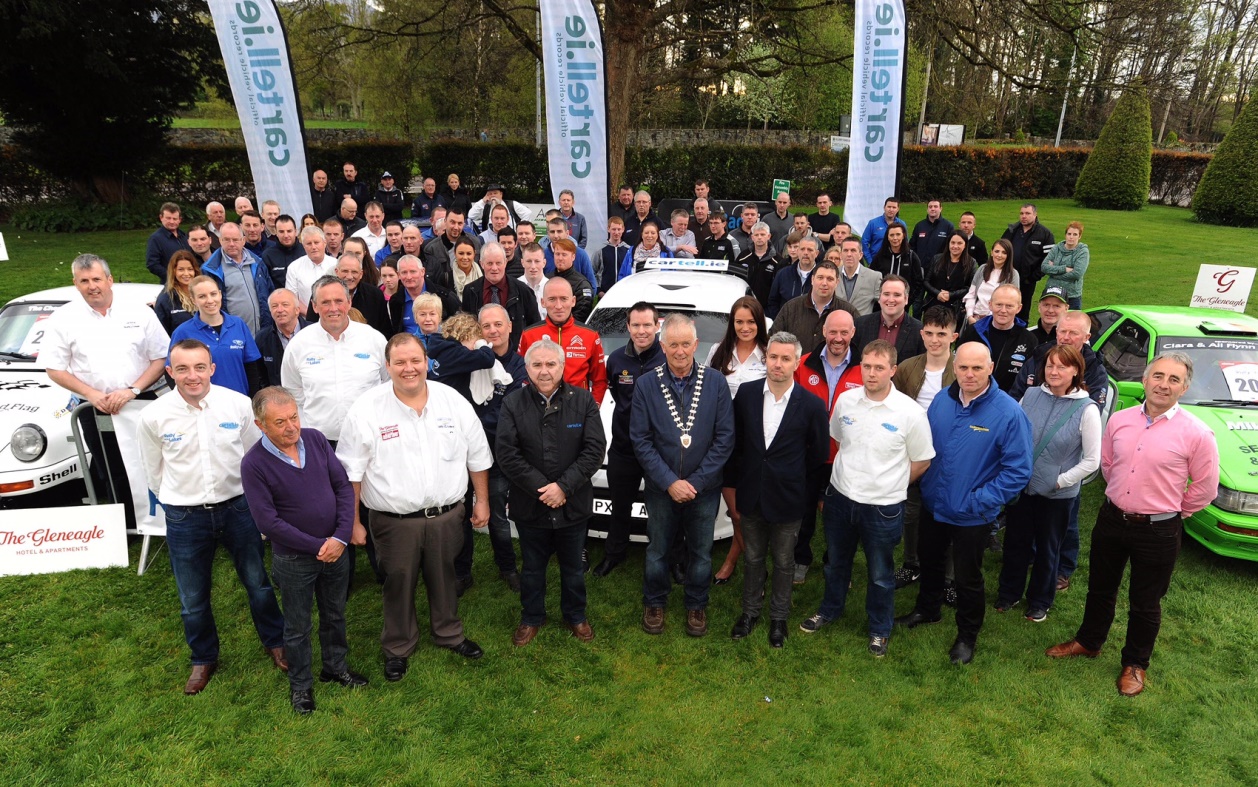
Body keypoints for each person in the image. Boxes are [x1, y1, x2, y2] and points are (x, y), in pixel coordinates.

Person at [1046, 353, 1219, 696]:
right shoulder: (1120, 421)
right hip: (1112, 519)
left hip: (1158, 530)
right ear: (1144, 379)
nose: (1163, 385)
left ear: (1184, 387)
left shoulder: (1197, 433)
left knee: (1145, 602)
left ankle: (1135, 664)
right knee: (1099, 588)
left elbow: (1205, 487)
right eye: (1158, 376)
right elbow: (1108, 464)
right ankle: (1089, 641)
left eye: (1173, 379)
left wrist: (1173, 511)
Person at [137, 339, 287, 695]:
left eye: (199, 367)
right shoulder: (153, 415)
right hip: (184, 517)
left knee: (258, 583)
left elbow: (255, 457)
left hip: (238, 509)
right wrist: (179, 499)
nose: (193, 376)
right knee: (192, 596)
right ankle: (203, 657)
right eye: (183, 369)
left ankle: (277, 642)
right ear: (170, 372)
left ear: (212, 369)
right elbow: (152, 470)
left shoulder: (236, 405)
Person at [337, 333, 490, 679]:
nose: (409, 369)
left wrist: (482, 500)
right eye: (400, 362)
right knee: (398, 581)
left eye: (415, 361)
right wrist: (353, 521)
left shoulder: (452, 401)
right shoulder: (367, 409)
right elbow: (351, 472)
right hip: (394, 522)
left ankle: (449, 633)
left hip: (447, 517)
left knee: (445, 577)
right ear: (387, 366)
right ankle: (398, 646)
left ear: (427, 362)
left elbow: (478, 456)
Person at [894, 342, 1032, 665]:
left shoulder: (1009, 413)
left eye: (977, 368)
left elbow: (1019, 471)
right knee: (930, 561)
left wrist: (980, 500)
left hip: (972, 514)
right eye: (964, 368)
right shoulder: (941, 401)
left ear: (990, 369)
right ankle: (927, 610)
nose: (969, 375)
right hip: (934, 504)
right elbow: (924, 446)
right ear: (954, 368)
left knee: (968, 578)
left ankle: (967, 635)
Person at [800, 340, 935, 657]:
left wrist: (894, 484)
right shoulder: (846, 402)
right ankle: (830, 610)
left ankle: (879, 629)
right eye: (866, 366)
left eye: (879, 367)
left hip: (883, 508)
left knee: (880, 574)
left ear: (893, 370)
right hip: (840, 499)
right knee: (835, 564)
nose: (871, 373)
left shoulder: (910, 413)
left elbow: (922, 460)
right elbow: (838, 438)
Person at [241, 386, 366, 714]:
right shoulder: (253, 464)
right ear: (260, 425)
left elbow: (341, 485)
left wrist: (339, 537)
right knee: (297, 626)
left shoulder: (315, 439)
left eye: (294, 417)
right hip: (295, 558)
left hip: (335, 551)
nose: (291, 427)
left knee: (335, 614)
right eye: (279, 422)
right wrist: (318, 546)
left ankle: (335, 668)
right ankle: (301, 686)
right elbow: (268, 522)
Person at [44, 254, 170, 532]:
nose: (92, 286)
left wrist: (133, 389)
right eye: (84, 281)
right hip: (96, 407)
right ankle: (124, 530)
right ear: (75, 284)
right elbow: (54, 368)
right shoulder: (63, 319)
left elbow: (161, 358)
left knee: (152, 461)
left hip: (141, 403)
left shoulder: (139, 312)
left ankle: (163, 521)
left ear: (110, 280)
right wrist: (91, 394)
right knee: (111, 469)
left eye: (97, 279)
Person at [497, 338, 606, 646]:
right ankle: (532, 617)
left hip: (573, 504)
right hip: (530, 504)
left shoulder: (583, 401)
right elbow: (507, 454)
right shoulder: (513, 403)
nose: (544, 371)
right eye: (537, 365)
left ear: (562, 366)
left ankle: (576, 616)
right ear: (527, 367)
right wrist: (543, 489)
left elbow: (595, 449)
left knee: (573, 568)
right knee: (532, 568)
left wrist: (564, 487)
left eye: (550, 364)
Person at [632, 314, 735, 638]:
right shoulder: (647, 383)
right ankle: (655, 601)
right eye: (673, 344)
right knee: (658, 549)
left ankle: (696, 604)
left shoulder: (716, 382)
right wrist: (669, 482)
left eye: (685, 344)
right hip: (663, 488)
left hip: (703, 489)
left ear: (696, 345)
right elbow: (641, 439)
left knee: (701, 552)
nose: (680, 351)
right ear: (662, 346)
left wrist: (697, 482)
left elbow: (724, 438)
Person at [729, 331, 829, 647]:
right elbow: (738, 444)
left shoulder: (811, 405)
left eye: (786, 359)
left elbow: (817, 454)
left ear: (795, 362)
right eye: (773, 357)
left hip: (789, 498)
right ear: (766, 358)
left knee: (785, 562)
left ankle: (779, 618)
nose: (778, 364)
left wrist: (803, 490)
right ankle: (749, 612)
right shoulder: (745, 395)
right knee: (754, 557)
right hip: (752, 494)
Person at [995, 344, 1101, 622]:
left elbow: (1092, 461)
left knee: (1048, 549)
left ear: (1075, 370)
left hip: (1057, 496)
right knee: (1016, 543)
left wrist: (1059, 482)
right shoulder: (1029, 396)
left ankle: (1040, 601)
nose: (1054, 371)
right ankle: (1009, 593)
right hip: (1024, 488)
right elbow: (1011, 433)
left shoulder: (1086, 409)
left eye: (1062, 366)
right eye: (1050, 365)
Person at [889, 306, 959, 589]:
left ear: (953, 335)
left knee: (949, 513)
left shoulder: (961, 369)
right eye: (929, 333)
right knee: (912, 511)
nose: (935, 340)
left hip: (950, 453)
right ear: (922, 333)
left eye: (941, 334)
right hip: (914, 451)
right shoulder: (907, 368)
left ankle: (949, 577)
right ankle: (911, 563)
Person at [596, 302, 667, 577]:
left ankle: (672, 557)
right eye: (635, 325)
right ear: (627, 327)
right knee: (620, 505)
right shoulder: (615, 360)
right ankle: (615, 553)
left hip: (659, 450)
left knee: (663, 509)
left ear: (657, 325)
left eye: (647, 325)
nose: (641, 331)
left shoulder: (667, 356)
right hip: (624, 448)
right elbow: (613, 392)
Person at [793, 309, 863, 582]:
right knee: (805, 510)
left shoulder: (863, 367)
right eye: (833, 331)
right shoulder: (803, 364)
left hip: (845, 457)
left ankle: (834, 559)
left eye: (844, 332)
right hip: (809, 455)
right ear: (823, 331)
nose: (838, 338)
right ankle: (801, 557)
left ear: (852, 333)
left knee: (839, 514)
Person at [705, 296, 769, 586]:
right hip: (722, 440)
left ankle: (738, 560)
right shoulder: (718, 352)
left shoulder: (769, 356)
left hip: (755, 443)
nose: (745, 327)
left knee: (747, 511)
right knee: (735, 512)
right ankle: (749, 561)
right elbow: (705, 391)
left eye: (751, 321)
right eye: (739, 321)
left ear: (760, 323)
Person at [282, 276, 388, 445]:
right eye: (325, 302)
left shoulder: (374, 339)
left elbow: (388, 384)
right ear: (314, 306)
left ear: (349, 302)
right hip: (319, 442)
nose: (333, 308)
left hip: (369, 438)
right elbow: (293, 393)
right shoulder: (298, 345)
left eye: (339, 301)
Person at [473, 304, 529, 590]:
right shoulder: (470, 360)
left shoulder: (520, 364)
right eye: (486, 326)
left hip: (498, 453)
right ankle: (460, 572)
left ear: (509, 326)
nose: (493, 330)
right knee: (459, 515)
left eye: (498, 324)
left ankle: (507, 567)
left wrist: (481, 415)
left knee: (497, 514)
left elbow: (511, 409)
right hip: (466, 451)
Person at [169, 276, 264, 397]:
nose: (210, 300)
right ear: (193, 300)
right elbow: (173, 373)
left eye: (213, 294)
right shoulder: (183, 332)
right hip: (202, 405)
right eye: (202, 296)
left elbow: (252, 368)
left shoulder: (238, 324)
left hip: (239, 402)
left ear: (220, 294)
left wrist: (251, 400)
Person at [518, 276, 607, 403]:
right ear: (543, 302)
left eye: (564, 299)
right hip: (539, 411)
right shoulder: (529, 334)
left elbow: (600, 381)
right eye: (552, 299)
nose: (558, 306)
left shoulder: (590, 335)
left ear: (573, 301)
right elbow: (521, 377)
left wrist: (592, 409)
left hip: (577, 411)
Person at [957, 284, 1038, 393]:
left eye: (1009, 306)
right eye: (999, 304)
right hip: (972, 397)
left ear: (1019, 308)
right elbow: (958, 364)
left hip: (1008, 401)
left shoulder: (1028, 340)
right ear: (990, 305)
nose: (1003, 310)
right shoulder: (973, 332)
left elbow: (1029, 378)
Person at [461, 242, 539, 353]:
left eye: (498, 263)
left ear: (505, 263)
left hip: (515, 355)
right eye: (489, 263)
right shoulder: (470, 291)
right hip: (480, 356)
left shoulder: (523, 291)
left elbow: (534, 327)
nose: (494, 268)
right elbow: (466, 328)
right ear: (481, 264)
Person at [772, 260, 859, 351]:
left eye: (830, 279)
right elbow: (774, 338)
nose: (824, 283)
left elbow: (858, 344)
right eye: (820, 277)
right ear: (812, 279)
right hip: (797, 364)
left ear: (837, 282)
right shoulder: (790, 308)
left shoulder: (848, 311)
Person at [851, 274, 925, 362]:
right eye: (886, 294)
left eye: (897, 295)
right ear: (879, 298)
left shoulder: (919, 330)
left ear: (906, 299)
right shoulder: (860, 325)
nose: (891, 299)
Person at [1001, 203, 1055, 322]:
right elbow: (1001, 249)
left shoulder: (1045, 234)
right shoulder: (1012, 230)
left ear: (1035, 215)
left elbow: (1050, 259)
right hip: (1007, 277)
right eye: (1021, 213)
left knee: (1022, 310)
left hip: (1027, 281)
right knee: (1004, 306)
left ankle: (1020, 335)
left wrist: (1032, 277)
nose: (1024, 216)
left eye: (1027, 213)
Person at [388, 255, 461, 335]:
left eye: (413, 271)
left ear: (422, 271)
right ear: (398, 275)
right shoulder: (395, 301)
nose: (409, 277)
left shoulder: (445, 297)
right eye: (404, 272)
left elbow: (459, 328)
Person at [921, 231, 975, 327]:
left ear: (965, 245)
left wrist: (951, 295)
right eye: (953, 242)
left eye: (959, 243)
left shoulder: (971, 263)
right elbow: (926, 282)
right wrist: (937, 293)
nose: (955, 246)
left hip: (955, 306)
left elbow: (970, 288)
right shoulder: (937, 259)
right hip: (934, 302)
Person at [421, 207, 482, 293]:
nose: (456, 227)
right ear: (445, 222)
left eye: (460, 223)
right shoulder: (431, 248)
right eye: (452, 222)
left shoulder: (475, 242)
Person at [333, 251, 392, 338]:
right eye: (345, 271)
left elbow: (385, 332)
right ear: (336, 272)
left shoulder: (375, 295)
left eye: (354, 272)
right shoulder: (324, 294)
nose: (349, 276)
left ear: (361, 274)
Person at [256, 289, 308, 386]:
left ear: (297, 310)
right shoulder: (262, 339)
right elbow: (260, 377)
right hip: (280, 398)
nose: (280, 310)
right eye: (274, 306)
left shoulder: (313, 332)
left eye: (285, 305)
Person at [868, 224, 923, 313]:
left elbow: (918, 281)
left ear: (903, 235)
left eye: (898, 234)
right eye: (892, 235)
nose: (895, 238)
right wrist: (879, 298)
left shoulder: (911, 256)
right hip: (882, 304)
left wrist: (908, 300)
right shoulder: (880, 256)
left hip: (903, 304)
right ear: (888, 237)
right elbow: (871, 278)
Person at [963, 238, 1020, 324]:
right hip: (974, 318)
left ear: (1009, 255)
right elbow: (971, 294)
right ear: (991, 252)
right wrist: (970, 316)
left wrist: (988, 319)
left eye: (1004, 252)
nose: (999, 255)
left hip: (995, 321)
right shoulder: (982, 269)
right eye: (997, 251)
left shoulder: (1013, 274)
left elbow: (1012, 301)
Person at [766, 235, 820, 318]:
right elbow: (773, 302)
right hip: (785, 326)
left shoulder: (822, 277)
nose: (805, 253)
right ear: (798, 252)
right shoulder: (782, 274)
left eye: (810, 250)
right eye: (802, 249)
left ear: (816, 253)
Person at [285, 226, 338, 308]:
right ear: (303, 246)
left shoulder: (336, 264)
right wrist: (310, 315)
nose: (313, 247)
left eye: (316, 242)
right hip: (306, 318)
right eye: (309, 243)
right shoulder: (294, 267)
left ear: (324, 243)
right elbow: (292, 297)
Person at [1041, 221, 1089, 309]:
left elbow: (1077, 274)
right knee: (1051, 321)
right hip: (1052, 292)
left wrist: (1053, 273)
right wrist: (1064, 269)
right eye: (1069, 234)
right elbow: (1044, 267)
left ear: (1080, 236)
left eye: (1075, 234)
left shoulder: (1082, 252)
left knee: (1071, 322)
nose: (1071, 237)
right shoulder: (1056, 248)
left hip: (1071, 296)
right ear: (1065, 235)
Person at [542, 216, 598, 291]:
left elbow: (592, 285)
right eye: (552, 232)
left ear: (567, 233)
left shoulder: (581, 254)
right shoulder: (543, 255)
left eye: (559, 231)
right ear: (548, 234)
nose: (556, 236)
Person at [153, 251, 201, 336]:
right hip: (180, 347)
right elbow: (161, 334)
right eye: (181, 269)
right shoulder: (166, 298)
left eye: (190, 269)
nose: (186, 274)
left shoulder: (202, 293)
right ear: (174, 271)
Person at [548, 239, 595, 322]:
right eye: (557, 254)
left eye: (564, 254)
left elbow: (582, 313)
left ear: (573, 257)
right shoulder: (546, 279)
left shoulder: (582, 285)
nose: (560, 258)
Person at [833, 239, 883, 315]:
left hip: (862, 325)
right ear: (840, 255)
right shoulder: (833, 275)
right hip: (837, 324)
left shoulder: (874, 277)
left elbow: (884, 302)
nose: (849, 254)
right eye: (846, 250)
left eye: (853, 250)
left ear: (860, 255)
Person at [146, 202, 193, 281]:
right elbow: (152, 264)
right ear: (161, 218)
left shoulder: (185, 236)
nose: (171, 222)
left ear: (179, 220)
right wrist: (172, 276)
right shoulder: (155, 239)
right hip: (170, 283)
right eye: (168, 218)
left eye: (175, 219)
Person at [738, 221, 782, 306]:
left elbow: (779, 287)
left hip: (768, 307)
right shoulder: (742, 257)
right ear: (752, 237)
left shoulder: (777, 260)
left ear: (769, 236)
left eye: (762, 234)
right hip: (745, 304)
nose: (759, 237)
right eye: (756, 235)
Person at [261, 215, 305, 289]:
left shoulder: (306, 251)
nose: (286, 235)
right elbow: (265, 285)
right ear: (276, 232)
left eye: (289, 231)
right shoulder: (268, 255)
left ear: (296, 231)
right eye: (281, 232)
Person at [909, 199, 955, 267]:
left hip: (939, 267)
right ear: (927, 209)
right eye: (930, 207)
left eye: (935, 206)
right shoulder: (919, 226)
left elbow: (951, 247)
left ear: (940, 209)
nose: (932, 209)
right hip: (921, 266)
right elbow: (912, 246)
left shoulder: (948, 226)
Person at [861, 197, 906, 262]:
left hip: (896, 261)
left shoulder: (902, 224)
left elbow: (905, 243)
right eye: (889, 207)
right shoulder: (873, 223)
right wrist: (870, 261)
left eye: (894, 207)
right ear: (884, 207)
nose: (891, 209)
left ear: (898, 209)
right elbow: (864, 243)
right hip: (877, 262)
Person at [601, 216, 632, 293]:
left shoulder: (629, 250)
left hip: (624, 291)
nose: (616, 232)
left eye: (619, 229)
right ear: (608, 229)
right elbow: (594, 271)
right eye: (613, 229)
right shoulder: (600, 250)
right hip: (605, 293)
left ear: (623, 229)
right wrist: (599, 290)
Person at [519, 244, 548, 318]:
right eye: (529, 261)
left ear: (544, 263)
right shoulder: (514, 286)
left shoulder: (552, 288)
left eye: (537, 261)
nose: (533, 266)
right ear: (522, 263)